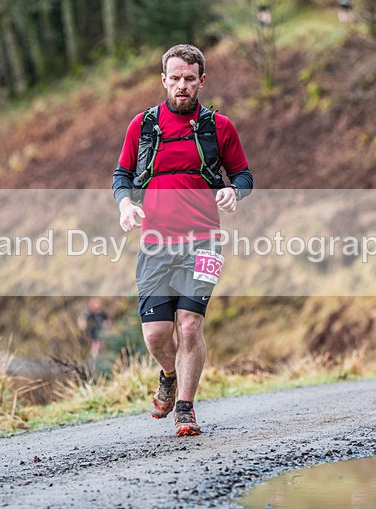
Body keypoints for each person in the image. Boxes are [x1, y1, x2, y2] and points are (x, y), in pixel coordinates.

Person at [112, 44, 253, 437]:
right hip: (156, 243)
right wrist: (125, 206)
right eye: (174, 78)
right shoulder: (142, 126)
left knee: (189, 327)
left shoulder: (218, 127)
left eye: (190, 79)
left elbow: (243, 175)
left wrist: (233, 192)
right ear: (163, 80)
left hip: (204, 242)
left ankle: (186, 409)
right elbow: (121, 175)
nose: (182, 86)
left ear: (201, 81)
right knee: (157, 334)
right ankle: (169, 375)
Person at [77, 298, 108, 362]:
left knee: (100, 345)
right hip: (93, 332)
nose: (97, 305)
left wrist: (106, 328)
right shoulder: (89, 313)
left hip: (101, 332)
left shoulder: (102, 313)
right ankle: (94, 358)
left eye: (97, 303)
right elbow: (82, 319)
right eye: (95, 304)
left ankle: (99, 358)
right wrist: (83, 325)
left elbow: (107, 322)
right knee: (95, 344)